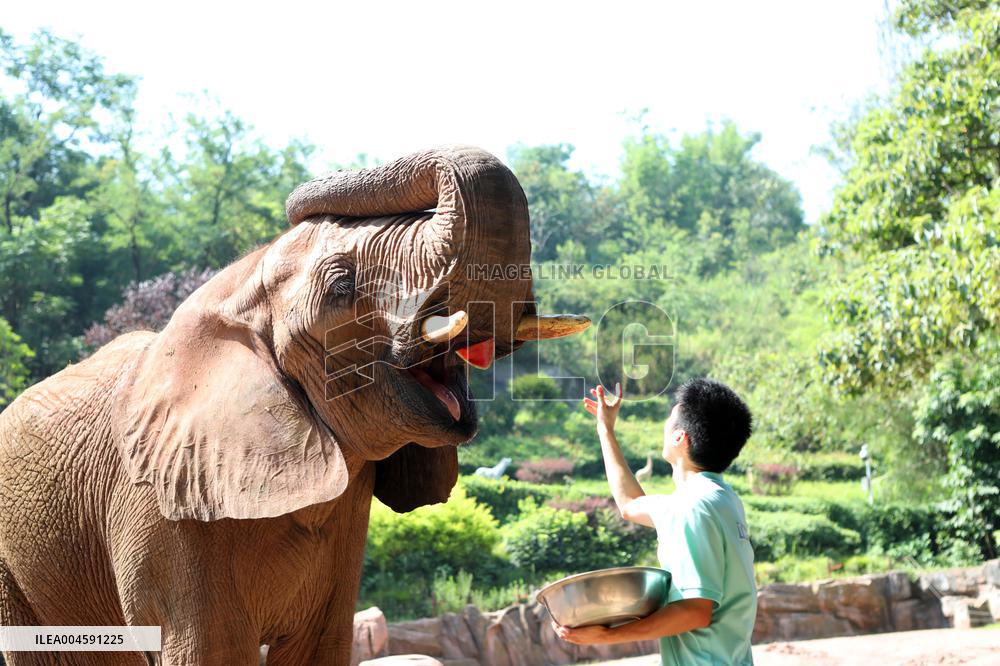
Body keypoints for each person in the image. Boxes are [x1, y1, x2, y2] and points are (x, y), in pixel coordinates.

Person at [553, 378, 756, 665]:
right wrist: (605, 429)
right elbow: (630, 505)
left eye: (668, 420)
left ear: (679, 437)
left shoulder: (692, 507)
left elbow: (694, 611)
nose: (664, 426)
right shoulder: (722, 499)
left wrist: (607, 636)